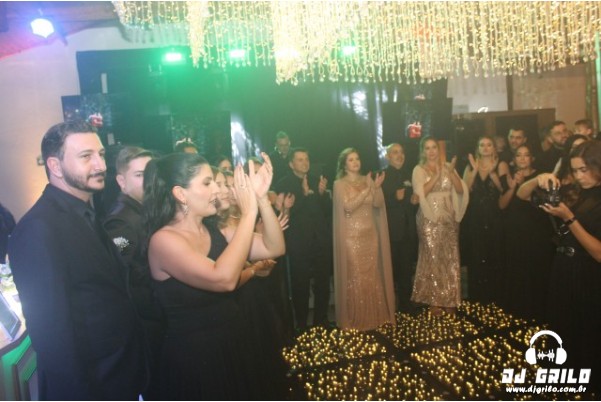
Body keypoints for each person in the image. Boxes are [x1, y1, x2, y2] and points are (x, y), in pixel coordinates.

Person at [8, 121, 147, 400]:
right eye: (86, 156)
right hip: (92, 387)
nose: (100, 165)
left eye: (101, 154)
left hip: (119, 374)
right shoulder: (38, 228)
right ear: (55, 166)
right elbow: (52, 338)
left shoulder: (86, 211)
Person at [144, 152, 285, 400]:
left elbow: (274, 247)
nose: (218, 191)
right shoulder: (163, 241)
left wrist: (261, 199)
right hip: (197, 360)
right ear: (180, 194)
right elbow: (224, 279)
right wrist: (249, 213)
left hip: (234, 344)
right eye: (207, 183)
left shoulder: (216, 230)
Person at [516, 141, 601, 393]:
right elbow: (522, 194)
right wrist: (539, 178)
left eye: (584, 169)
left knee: (586, 334)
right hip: (563, 268)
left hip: (588, 273)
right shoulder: (575, 191)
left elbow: (599, 253)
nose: (579, 176)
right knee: (562, 330)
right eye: (575, 170)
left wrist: (568, 218)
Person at [103, 146, 163, 401]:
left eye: (151, 174)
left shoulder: (146, 210)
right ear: (121, 181)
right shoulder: (120, 221)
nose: (148, 181)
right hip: (148, 321)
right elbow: (128, 273)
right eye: (139, 175)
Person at [333, 148, 395, 330]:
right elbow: (348, 207)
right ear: (344, 165)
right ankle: (356, 319)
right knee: (357, 275)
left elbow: (377, 204)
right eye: (351, 160)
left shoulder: (367, 179)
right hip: (351, 236)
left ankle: (375, 317)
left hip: (370, 234)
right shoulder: (339, 184)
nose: (355, 162)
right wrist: (368, 189)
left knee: (372, 274)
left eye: (357, 158)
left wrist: (376, 187)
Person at [274, 147, 332, 331]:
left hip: (320, 240)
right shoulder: (283, 184)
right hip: (298, 243)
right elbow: (285, 215)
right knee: (301, 284)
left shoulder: (316, 180)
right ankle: (301, 323)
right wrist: (304, 195)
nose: (305, 162)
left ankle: (321, 320)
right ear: (291, 164)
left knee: (323, 283)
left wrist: (322, 194)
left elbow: (326, 211)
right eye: (300, 159)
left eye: (306, 159)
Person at [412, 137, 468, 315]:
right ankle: (434, 300)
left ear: (438, 149)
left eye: (434, 147)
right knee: (433, 258)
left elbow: (460, 190)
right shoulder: (419, 169)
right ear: (423, 151)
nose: (431, 151)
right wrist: (436, 176)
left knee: (450, 258)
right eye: (427, 148)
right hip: (428, 219)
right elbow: (420, 194)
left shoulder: (448, 167)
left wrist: (451, 173)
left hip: (449, 219)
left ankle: (450, 299)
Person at [462, 135, 510, 304]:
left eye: (489, 145)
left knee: (494, 254)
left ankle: (496, 299)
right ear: (478, 148)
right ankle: (478, 299)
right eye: (482, 145)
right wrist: (475, 170)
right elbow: (464, 190)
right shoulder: (470, 165)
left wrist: (492, 173)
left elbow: (505, 190)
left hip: (494, 216)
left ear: (494, 148)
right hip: (475, 216)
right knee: (477, 255)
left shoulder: (501, 164)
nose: (485, 148)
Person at [381, 143, 418, 312]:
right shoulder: (381, 175)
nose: (399, 155)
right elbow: (377, 203)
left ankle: (405, 305)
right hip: (390, 231)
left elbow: (410, 204)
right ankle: (389, 307)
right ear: (387, 156)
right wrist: (394, 198)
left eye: (401, 152)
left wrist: (413, 202)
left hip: (407, 231)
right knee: (390, 272)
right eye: (395, 152)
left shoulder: (409, 174)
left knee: (406, 270)